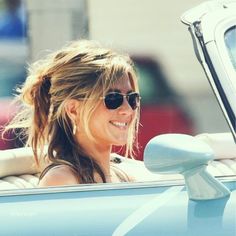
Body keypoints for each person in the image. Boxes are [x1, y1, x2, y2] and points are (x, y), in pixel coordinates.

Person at [4, 40, 141, 186]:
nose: (128, 109)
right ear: (73, 110)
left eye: (132, 98)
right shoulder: (62, 180)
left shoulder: (125, 174)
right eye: (113, 99)